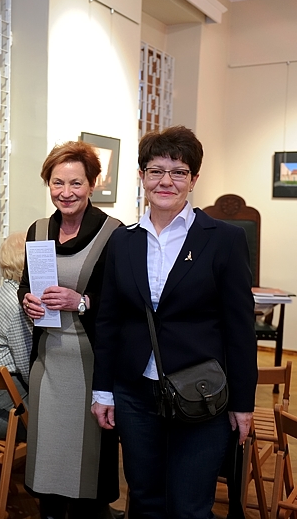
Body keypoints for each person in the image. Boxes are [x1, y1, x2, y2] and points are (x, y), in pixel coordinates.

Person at [91, 126, 258, 518]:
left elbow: (240, 330)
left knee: (190, 507)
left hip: (201, 394)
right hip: (134, 394)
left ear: (193, 179)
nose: (166, 181)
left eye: (178, 172)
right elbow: (109, 321)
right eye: (155, 171)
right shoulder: (123, 240)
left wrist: (242, 403)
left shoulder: (224, 239)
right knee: (145, 499)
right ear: (142, 176)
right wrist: (103, 390)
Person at [19, 141, 122, 518]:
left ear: (92, 184)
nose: (66, 192)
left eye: (76, 183)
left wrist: (82, 301)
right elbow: (26, 285)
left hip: (92, 366)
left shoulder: (114, 234)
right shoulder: (38, 230)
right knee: (47, 460)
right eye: (57, 183)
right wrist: (27, 302)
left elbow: (123, 303)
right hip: (48, 363)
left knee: (87, 465)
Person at [0, 232, 32, 441]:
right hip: (2, 413)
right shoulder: (16, 304)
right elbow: (28, 370)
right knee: (63, 414)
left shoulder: (3, 293)